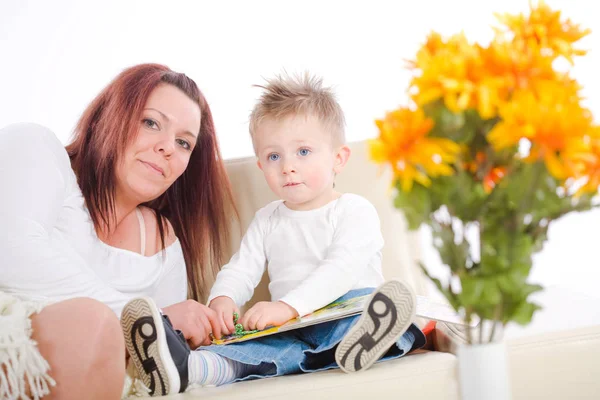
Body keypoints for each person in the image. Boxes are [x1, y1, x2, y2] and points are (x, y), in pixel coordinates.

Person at [122, 72, 427, 396]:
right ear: (261, 166)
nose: (288, 167)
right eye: (274, 156)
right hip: (294, 329)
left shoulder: (355, 210)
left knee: (370, 315)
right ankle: (190, 368)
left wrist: (287, 306)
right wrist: (222, 300)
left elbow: (341, 269)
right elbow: (242, 267)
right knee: (268, 353)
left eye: (304, 152)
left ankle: (371, 339)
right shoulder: (268, 219)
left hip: (349, 311)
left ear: (339, 158)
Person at [0, 63, 236, 399]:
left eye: (184, 143)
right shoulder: (35, 146)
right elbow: (9, 248)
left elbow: (162, 357)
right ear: (104, 118)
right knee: (89, 323)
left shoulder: (162, 243)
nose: (168, 147)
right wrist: (150, 319)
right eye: (151, 122)